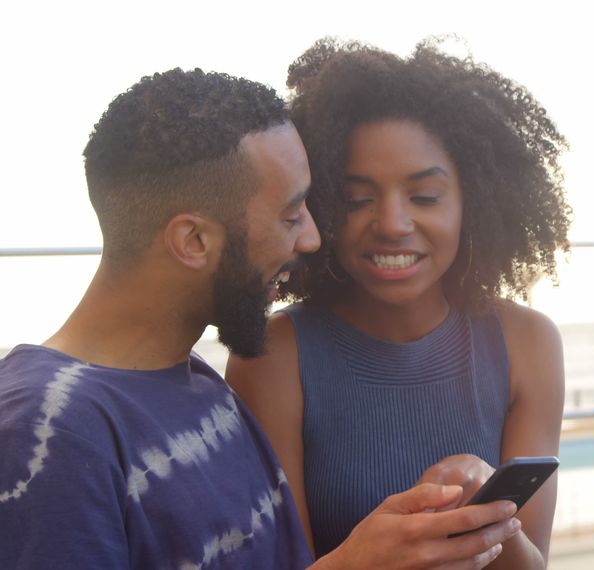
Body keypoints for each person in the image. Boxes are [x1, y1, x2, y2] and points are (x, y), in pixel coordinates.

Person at [0, 68, 522, 569]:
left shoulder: (202, 390)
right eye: (291, 215)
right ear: (194, 241)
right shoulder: (46, 432)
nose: (313, 239)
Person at [226, 38, 570, 570]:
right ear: (318, 208)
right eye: (357, 198)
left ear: (472, 203)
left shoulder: (527, 343)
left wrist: (487, 513)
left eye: (424, 197)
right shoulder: (274, 356)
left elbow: (533, 565)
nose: (391, 224)